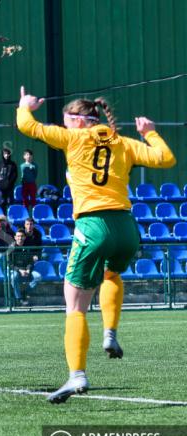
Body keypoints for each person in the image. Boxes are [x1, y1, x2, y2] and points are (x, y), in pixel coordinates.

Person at [17, 86, 176, 403]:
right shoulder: (123, 141)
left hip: (93, 224)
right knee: (110, 275)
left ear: (78, 120)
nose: (63, 126)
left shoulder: (74, 139)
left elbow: (27, 126)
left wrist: (25, 105)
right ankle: (110, 333)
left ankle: (77, 376)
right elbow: (165, 159)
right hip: (126, 227)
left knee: (74, 306)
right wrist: (151, 133)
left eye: (66, 120)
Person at [8, 229, 41, 307]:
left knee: (38, 277)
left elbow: (30, 261)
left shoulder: (27, 248)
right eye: (18, 236)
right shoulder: (11, 248)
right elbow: (9, 264)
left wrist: (28, 269)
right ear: (15, 237)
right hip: (15, 270)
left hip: (27, 270)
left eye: (22, 236)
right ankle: (18, 298)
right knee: (14, 277)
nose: (20, 238)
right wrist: (20, 270)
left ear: (25, 237)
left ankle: (25, 292)